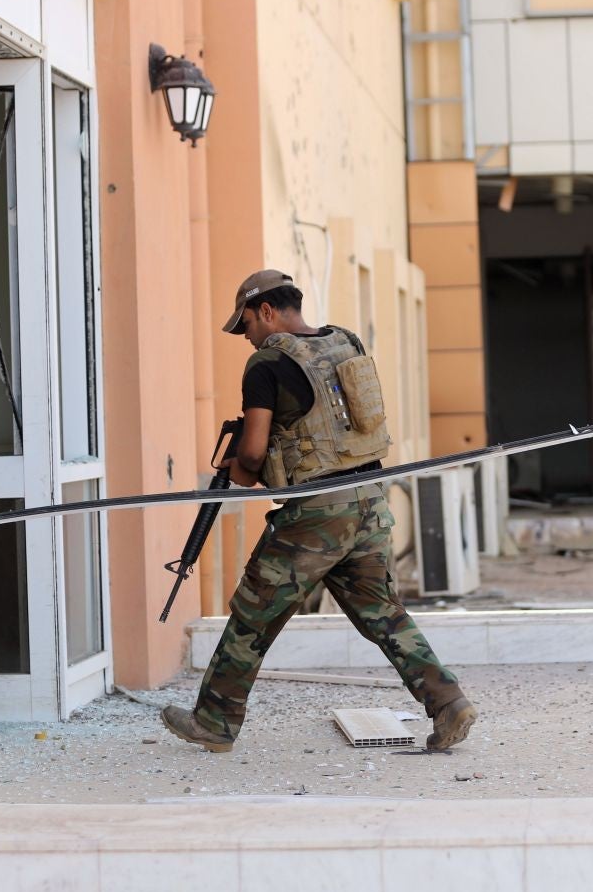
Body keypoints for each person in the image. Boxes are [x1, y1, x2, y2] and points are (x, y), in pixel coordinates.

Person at [160, 269, 478, 752]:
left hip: (316, 516)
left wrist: (240, 467)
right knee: (384, 615)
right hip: (370, 502)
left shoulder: (266, 366)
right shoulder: (345, 343)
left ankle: (214, 723)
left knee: (253, 615)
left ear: (265, 311)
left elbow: (252, 454)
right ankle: (449, 703)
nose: (246, 338)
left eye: (245, 325)